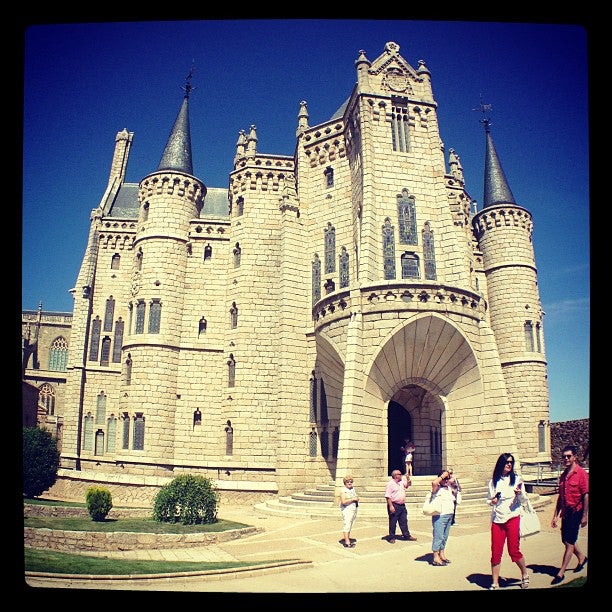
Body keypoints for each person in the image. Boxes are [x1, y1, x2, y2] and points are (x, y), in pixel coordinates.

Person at [487, 452, 530, 590]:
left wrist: (520, 494)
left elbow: (524, 500)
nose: (509, 464)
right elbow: (489, 500)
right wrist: (492, 501)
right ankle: (495, 582)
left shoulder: (517, 479)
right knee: (496, 552)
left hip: (512, 517)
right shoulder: (494, 481)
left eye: (511, 462)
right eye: (507, 462)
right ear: (501, 464)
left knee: (513, 551)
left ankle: (524, 574)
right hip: (498, 520)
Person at [550, 445, 589, 584]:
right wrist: (555, 515)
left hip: (576, 512)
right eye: (564, 456)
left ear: (574, 457)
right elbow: (560, 498)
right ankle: (582, 557)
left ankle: (561, 572)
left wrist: (585, 515)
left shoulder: (581, 474)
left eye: (568, 456)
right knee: (565, 540)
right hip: (565, 513)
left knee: (569, 542)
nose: (566, 458)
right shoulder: (563, 476)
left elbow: (586, 495)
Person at [430, 469, 459, 566]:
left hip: (449, 515)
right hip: (440, 516)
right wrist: (443, 476)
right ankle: (435, 557)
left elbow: (457, 489)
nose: (446, 480)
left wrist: (452, 480)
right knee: (438, 536)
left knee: (445, 537)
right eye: (444, 478)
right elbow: (434, 482)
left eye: (447, 478)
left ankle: (442, 554)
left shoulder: (449, 488)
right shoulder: (436, 488)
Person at [385, 469, 417, 543]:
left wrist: (408, 478)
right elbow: (387, 496)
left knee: (404, 521)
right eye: (400, 474)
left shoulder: (401, 482)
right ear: (396, 476)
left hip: (402, 505)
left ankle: (406, 535)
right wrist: (391, 506)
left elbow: (408, 484)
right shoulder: (390, 484)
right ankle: (392, 537)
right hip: (394, 504)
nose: (401, 475)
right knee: (393, 522)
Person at [339, 475, 359, 548]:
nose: (349, 483)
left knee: (350, 524)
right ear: (345, 483)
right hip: (347, 509)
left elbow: (355, 497)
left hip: (353, 509)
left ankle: (348, 539)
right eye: (348, 482)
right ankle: (347, 542)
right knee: (347, 524)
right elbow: (343, 501)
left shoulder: (352, 489)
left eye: (351, 482)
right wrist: (353, 499)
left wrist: (356, 498)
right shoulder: (343, 490)